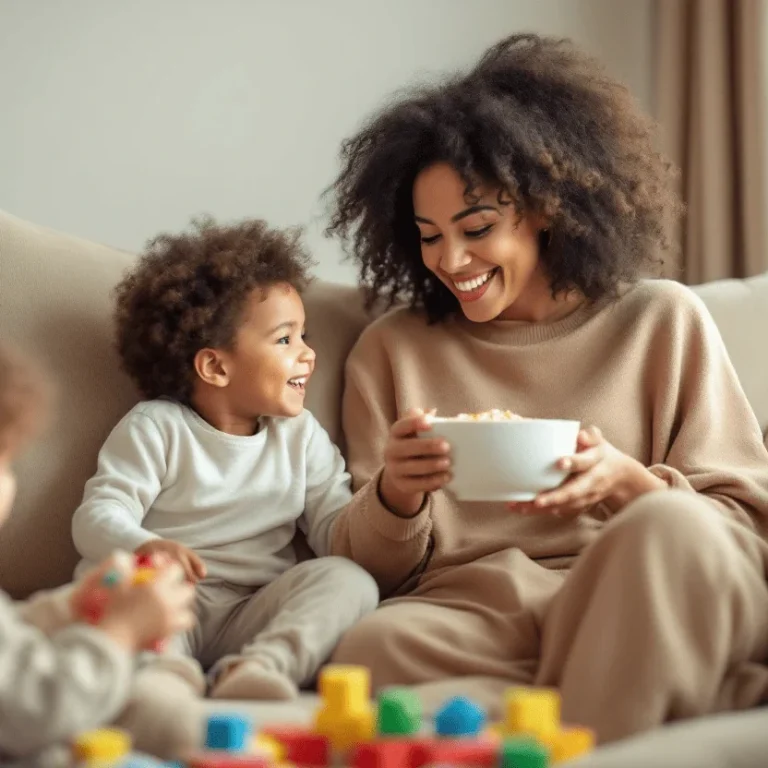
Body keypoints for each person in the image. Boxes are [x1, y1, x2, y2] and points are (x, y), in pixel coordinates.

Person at [324, 33, 768, 743]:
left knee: (668, 526)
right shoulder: (391, 351)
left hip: (632, 589)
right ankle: (636, 694)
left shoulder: (662, 320)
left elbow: (745, 526)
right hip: (478, 616)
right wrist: (395, 496)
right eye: (429, 235)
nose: (451, 260)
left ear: (549, 210)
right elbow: (369, 569)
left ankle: (572, 719)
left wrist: (627, 485)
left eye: (476, 228)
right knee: (372, 645)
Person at [71, 217, 378, 703]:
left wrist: (391, 499)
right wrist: (146, 546)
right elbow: (96, 517)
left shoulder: (300, 435)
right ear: (215, 365)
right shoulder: (157, 427)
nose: (308, 355)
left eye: (304, 336)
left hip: (253, 609)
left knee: (350, 580)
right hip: (168, 600)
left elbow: (336, 532)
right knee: (117, 588)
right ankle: (166, 674)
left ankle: (259, 666)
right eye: (285, 339)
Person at [0, 342, 196, 762]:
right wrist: (120, 632)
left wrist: (65, 609)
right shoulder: (154, 425)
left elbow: (9, 653)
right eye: (5, 462)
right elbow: (37, 706)